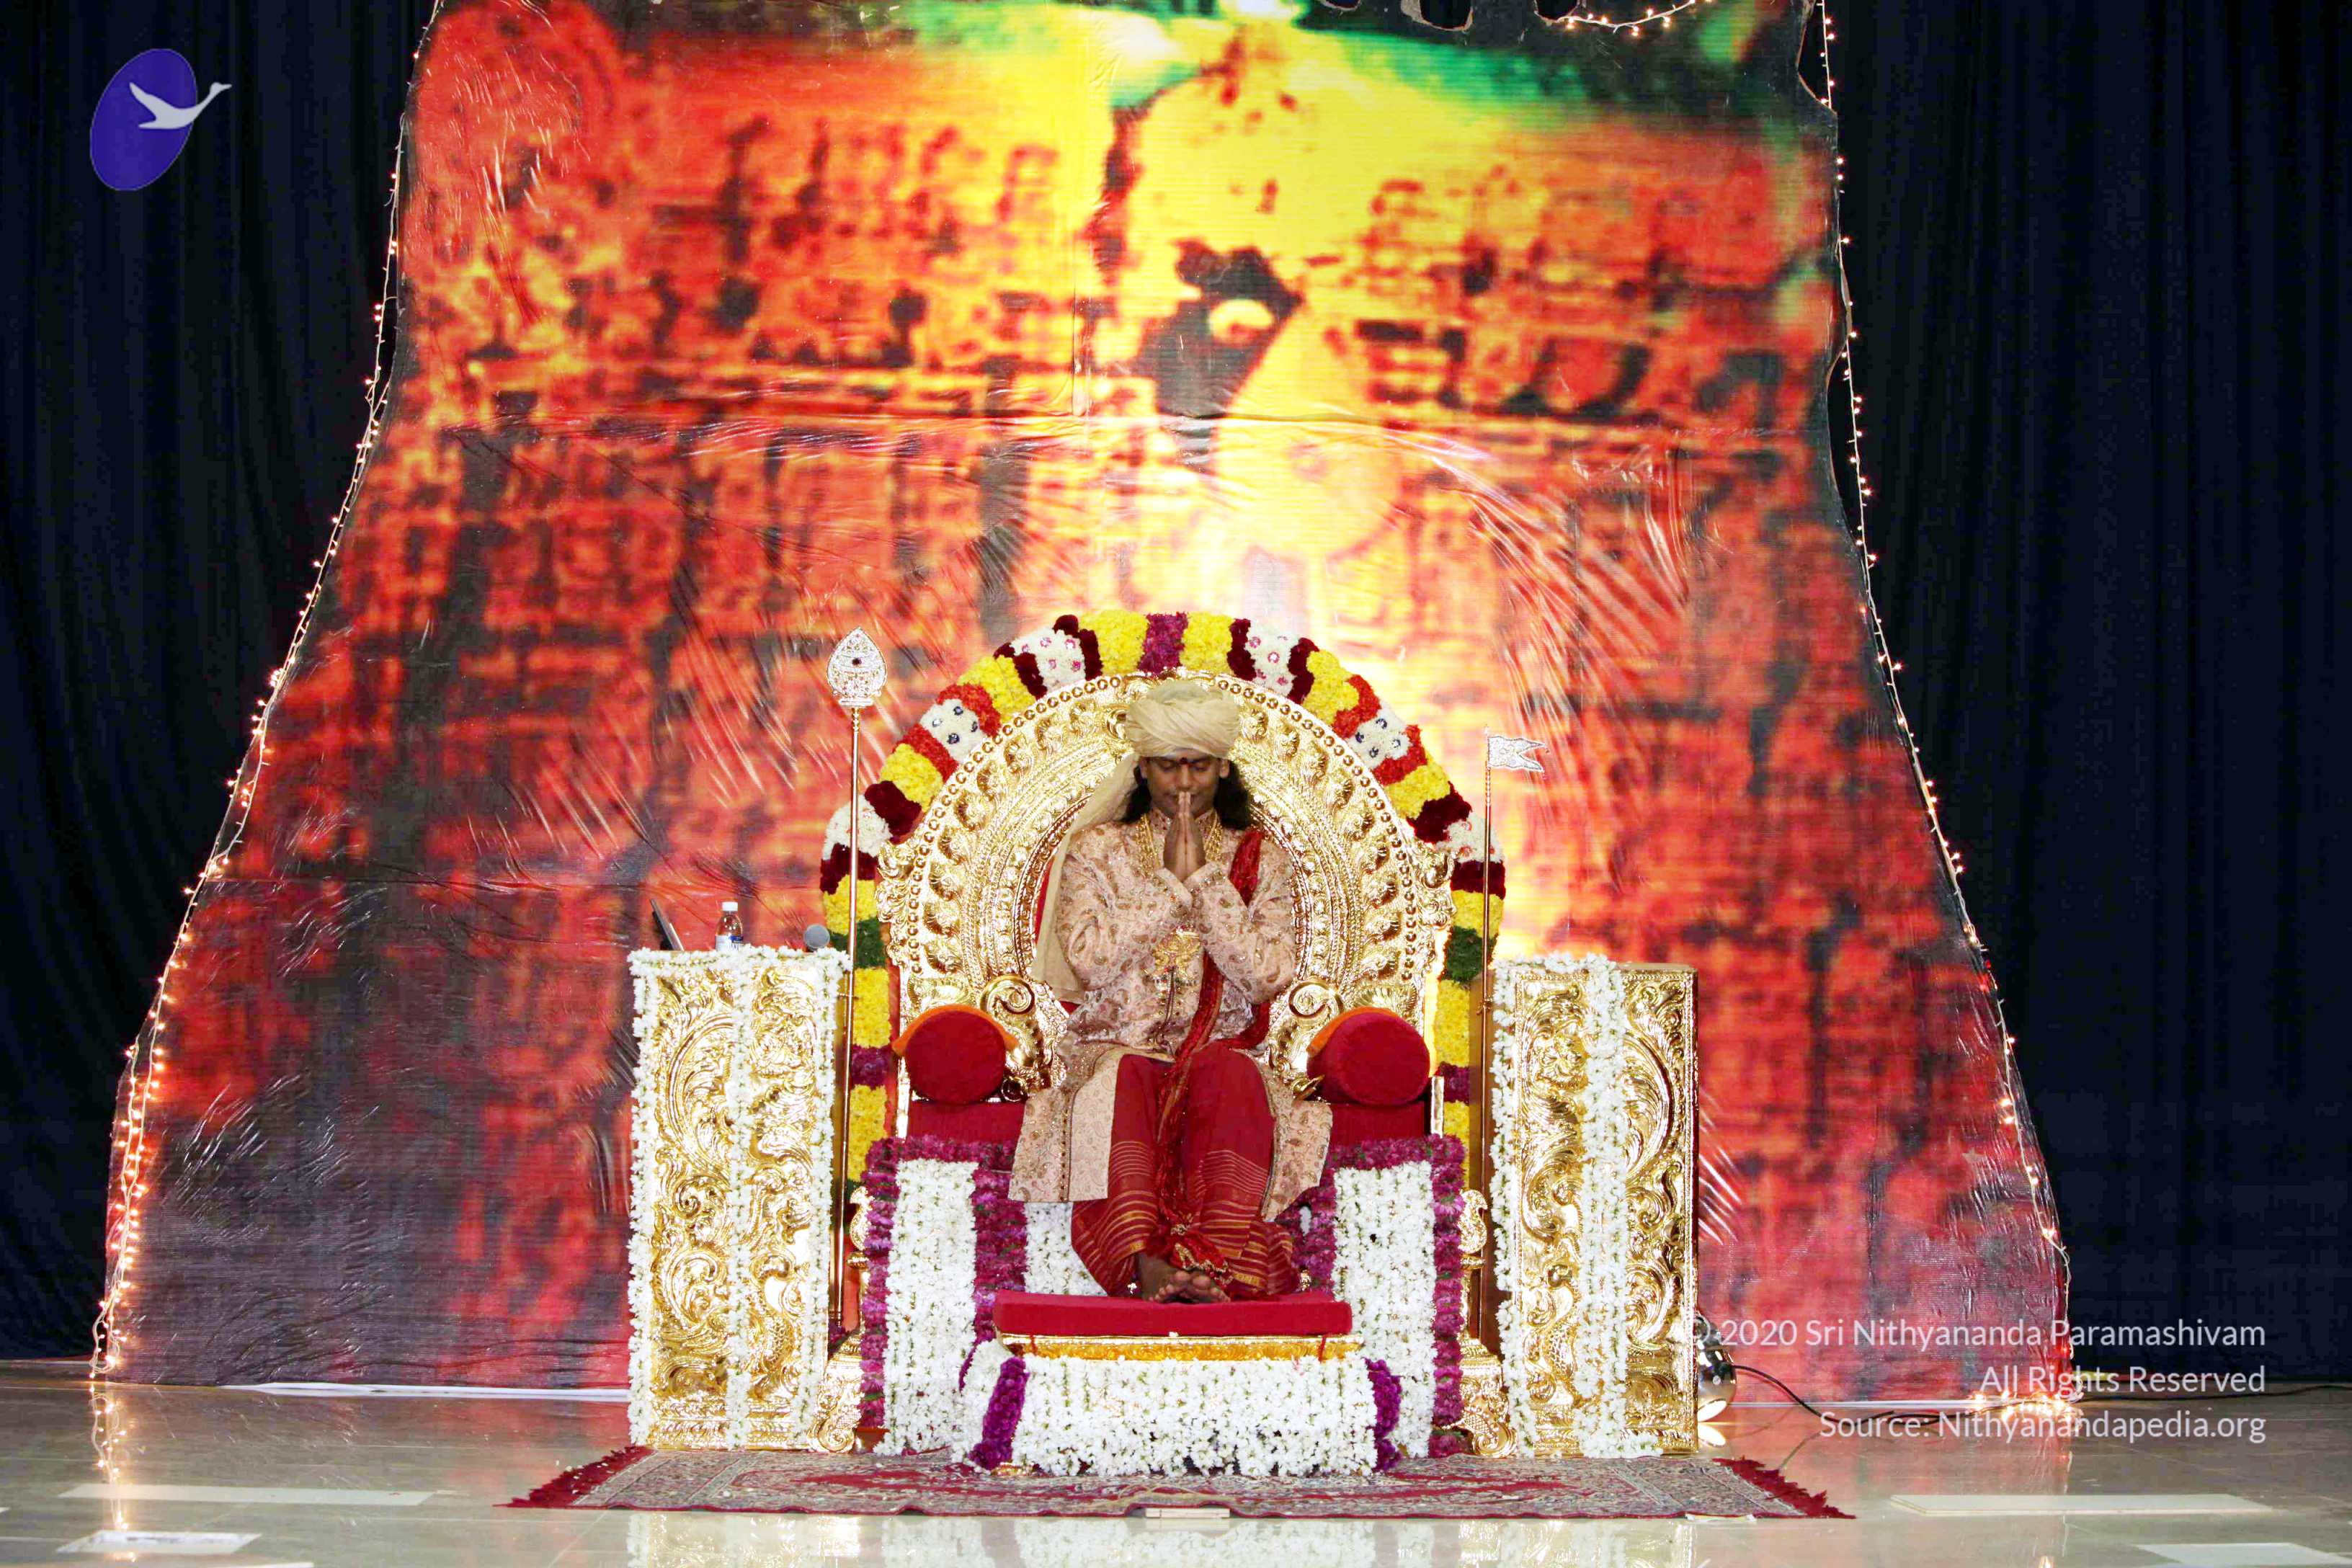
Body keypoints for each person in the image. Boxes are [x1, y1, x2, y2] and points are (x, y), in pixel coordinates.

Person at [1012, 680, 1329, 1303]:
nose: (1184, 783)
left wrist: (1206, 883)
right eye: (1167, 765)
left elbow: (1268, 974)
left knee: (1228, 1076)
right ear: (1141, 768)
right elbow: (1089, 960)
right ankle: (1147, 1261)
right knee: (1126, 1077)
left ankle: (1212, 1261)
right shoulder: (1098, 849)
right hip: (1114, 1046)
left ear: (1224, 768)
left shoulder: (1259, 858)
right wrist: (1166, 890)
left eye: (1199, 765)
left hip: (1220, 1047)